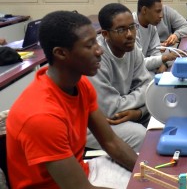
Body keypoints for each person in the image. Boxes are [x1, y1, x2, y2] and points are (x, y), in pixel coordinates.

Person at [6, 10, 137, 189]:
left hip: (82, 174)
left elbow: (110, 142)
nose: (99, 51)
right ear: (61, 53)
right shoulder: (41, 117)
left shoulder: (81, 84)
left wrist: (146, 173)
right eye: (90, 45)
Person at [86, 3, 152, 152]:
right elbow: (111, 109)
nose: (130, 34)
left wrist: (139, 112)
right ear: (105, 34)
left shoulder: (131, 47)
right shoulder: (97, 58)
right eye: (121, 29)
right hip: (96, 122)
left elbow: (147, 84)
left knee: (163, 116)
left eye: (132, 27)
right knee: (140, 135)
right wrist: (140, 103)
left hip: (125, 111)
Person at [132, 0, 180, 75]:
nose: (161, 16)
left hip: (143, 65)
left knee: (174, 64)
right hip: (135, 70)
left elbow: (155, 51)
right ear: (144, 10)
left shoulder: (151, 25)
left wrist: (162, 63)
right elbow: (138, 64)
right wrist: (165, 58)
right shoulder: (130, 28)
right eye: (158, 11)